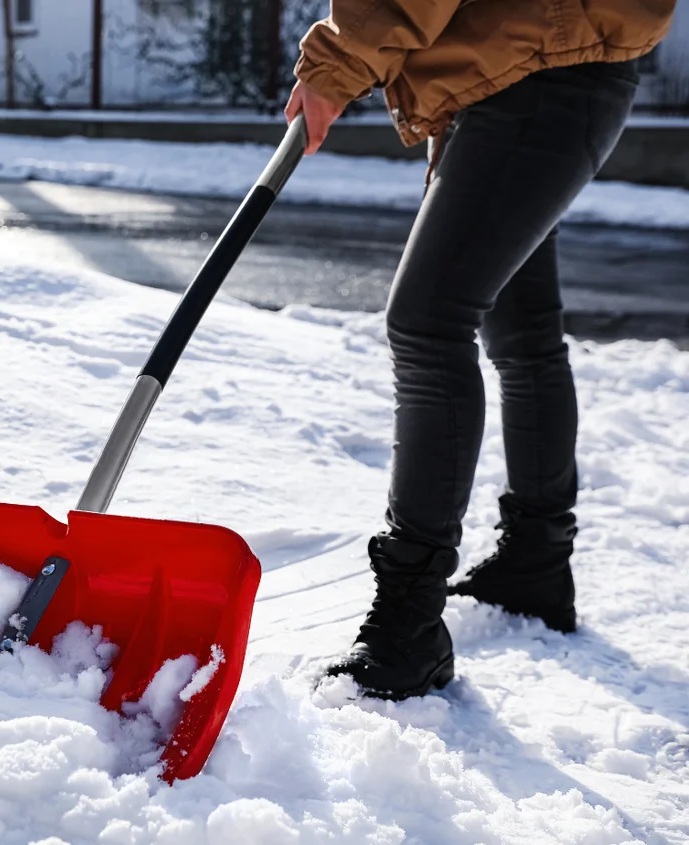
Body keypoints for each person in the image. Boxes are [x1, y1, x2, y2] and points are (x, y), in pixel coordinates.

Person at [285, 0, 675, 700]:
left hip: (533, 69)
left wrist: (339, 61)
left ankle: (409, 622)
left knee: (428, 322)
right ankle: (535, 560)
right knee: (522, 330)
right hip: (537, 65)